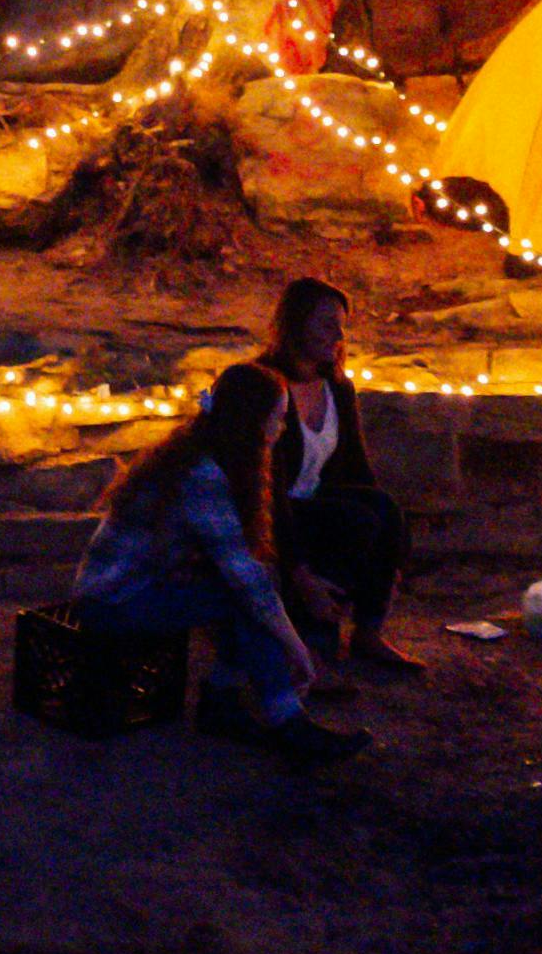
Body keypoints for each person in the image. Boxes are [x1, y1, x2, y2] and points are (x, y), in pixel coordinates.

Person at [71, 359, 373, 768]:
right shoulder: (202, 473)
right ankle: (284, 721)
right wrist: (296, 648)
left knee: (250, 585)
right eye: (278, 419)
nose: (281, 430)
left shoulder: (199, 455)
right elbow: (247, 581)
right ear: (253, 421)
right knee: (245, 594)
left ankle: (224, 700)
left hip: (126, 588)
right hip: (112, 602)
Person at [259, 277, 422, 678]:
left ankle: (368, 630)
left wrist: (392, 540)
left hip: (315, 499)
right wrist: (295, 566)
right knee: (352, 521)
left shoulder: (336, 387)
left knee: (381, 510)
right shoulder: (268, 387)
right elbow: (268, 487)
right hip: (272, 507)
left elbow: (356, 466)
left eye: (341, 325)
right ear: (296, 325)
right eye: (327, 324)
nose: (339, 335)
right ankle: (315, 643)